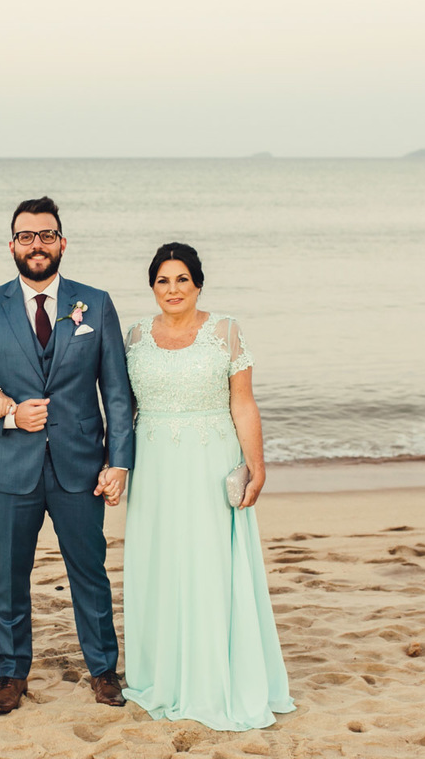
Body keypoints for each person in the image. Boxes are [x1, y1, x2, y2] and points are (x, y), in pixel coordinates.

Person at [0, 196, 134, 714]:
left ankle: (103, 671)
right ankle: (11, 675)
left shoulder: (94, 303)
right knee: (9, 577)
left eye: (46, 235)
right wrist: (4, 413)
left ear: (62, 243)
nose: (36, 245)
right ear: (11, 245)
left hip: (79, 466)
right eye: (26, 236)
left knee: (90, 572)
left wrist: (118, 461)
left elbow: (116, 392)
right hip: (11, 467)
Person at [121, 241, 295, 730]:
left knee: (210, 561)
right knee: (161, 562)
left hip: (210, 458)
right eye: (162, 281)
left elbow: (243, 403)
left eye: (181, 279)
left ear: (198, 283)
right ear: (152, 286)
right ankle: (164, 674)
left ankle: (214, 674)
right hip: (154, 463)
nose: (172, 289)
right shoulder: (134, 334)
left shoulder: (225, 331)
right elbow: (122, 407)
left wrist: (256, 465)